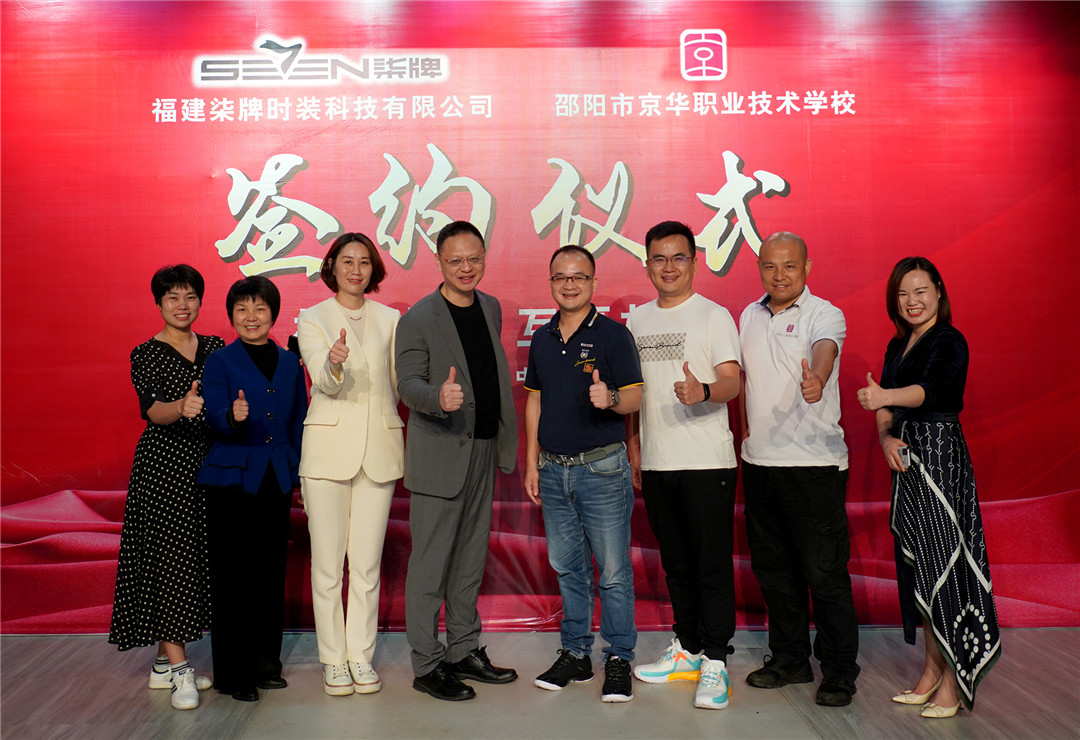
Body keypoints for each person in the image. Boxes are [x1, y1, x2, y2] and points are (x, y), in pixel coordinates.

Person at [857, 256, 999, 718]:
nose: (912, 301)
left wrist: (885, 397)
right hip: (907, 463)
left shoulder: (949, 340)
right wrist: (885, 437)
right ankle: (931, 670)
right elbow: (885, 406)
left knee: (946, 566)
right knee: (920, 569)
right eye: (902, 294)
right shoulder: (898, 343)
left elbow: (930, 391)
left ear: (938, 290)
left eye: (920, 291)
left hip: (940, 459)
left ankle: (953, 682)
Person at [395, 221, 518, 701]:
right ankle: (427, 664)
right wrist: (437, 397)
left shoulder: (490, 307)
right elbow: (407, 384)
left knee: (469, 561)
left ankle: (463, 649)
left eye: (474, 258)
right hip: (440, 454)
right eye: (455, 260)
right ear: (439, 262)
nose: (466, 268)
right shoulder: (419, 318)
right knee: (430, 566)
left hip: (482, 449)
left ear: (484, 257)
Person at [739, 231, 860, 707]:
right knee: (775, 572)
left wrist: (819, 379)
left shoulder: (825, 313)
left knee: (824, 574)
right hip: (760, 465)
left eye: (790, 266)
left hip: (814, 466)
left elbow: (824, 349)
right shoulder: (748, 315)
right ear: (759, 267)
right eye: (770, 266)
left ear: (807, 267)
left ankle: (839, 671)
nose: (780, 275)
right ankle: (789, 659)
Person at [626, 222, 741, 710]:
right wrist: (635, 446)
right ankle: (688, 650)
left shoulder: (714, 316)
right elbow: (633, 393)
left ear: (694, 262)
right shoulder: (637, 320)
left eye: (678, 258)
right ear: (647, 264)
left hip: (707, 462)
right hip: (657, 461)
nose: (668, 267)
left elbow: (732, 382)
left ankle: (716, 660)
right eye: (659, 258)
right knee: (676, 563)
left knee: (710, 564)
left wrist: (704, 391)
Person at [524, 245, 643, 704]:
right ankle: (575, 653)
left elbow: (635, 397)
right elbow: (534, 399)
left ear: (594, 282)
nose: (569, 284)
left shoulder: (613, 335)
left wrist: (610, 399)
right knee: (568, 568)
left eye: (578, 277)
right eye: (561, 277)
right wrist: (533, 458)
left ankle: (619, 657)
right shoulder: (542, 338)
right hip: (553, 471)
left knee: (612, 572)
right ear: (551, 283)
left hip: (602, 470)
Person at [109, 265, 223, 710]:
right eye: (173, 297)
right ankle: (179, 671)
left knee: (194, 561)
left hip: (209, 466)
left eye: (190, 296)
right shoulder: (145, 353)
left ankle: (162, 662)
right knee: (170, 563)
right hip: (164, 470)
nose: (182, 305)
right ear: (158, 303)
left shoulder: (215, 347)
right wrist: (183, 406)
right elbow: (153, 411)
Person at [297, 233, 404, 696]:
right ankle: (332, 659)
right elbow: (324, 381)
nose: (356, 270)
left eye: (364, 262)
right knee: (327, 567)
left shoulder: (391, 319)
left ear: (373, 269)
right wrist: (335, 363)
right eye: (347, 261)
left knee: (366, 566)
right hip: (327, 454)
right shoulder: (313, 317)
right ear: (332, 267)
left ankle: (360, 655)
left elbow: (401, 383)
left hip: (379, 450)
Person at [197, 275, 308, 703]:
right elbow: (213, 414)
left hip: (275, 478)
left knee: (268, 573)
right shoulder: (220, 361)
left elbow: (298, 421)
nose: (251, 316)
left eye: (259, 308)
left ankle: (266, 664)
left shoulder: (289, 363)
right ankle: (232, 672)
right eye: (242, 309)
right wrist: (233, 416)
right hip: (231, 481)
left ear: (272, 313)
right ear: (231, 315)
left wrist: (298, 473)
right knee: (232, 578)